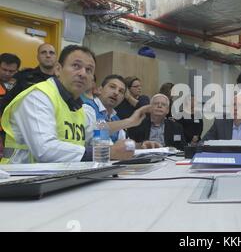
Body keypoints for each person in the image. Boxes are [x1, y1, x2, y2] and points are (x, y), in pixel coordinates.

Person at [0, 45, 138, 164]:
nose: (83, 73)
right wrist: (107, 152)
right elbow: (45, 149)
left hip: (59, 179)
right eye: (76, 66)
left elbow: (96, 130)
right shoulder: (38, 96)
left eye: (89, 70)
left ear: (92, 79)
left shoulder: (82, 107)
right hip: (19, 179)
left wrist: (130, 146)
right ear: (58, 69)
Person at [0, 43, 58, 114]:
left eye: (51, 53)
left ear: (56, 57)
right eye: (43, 52)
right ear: (38, 56)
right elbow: (6, 102)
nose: (48, 55)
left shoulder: (61, 81)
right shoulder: (23, 76)